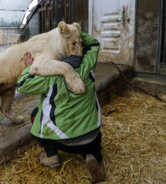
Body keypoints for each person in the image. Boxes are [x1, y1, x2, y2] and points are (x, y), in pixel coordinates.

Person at [17, 32, 105, 183]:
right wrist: (74, 32)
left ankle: (51, 156)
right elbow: (94, 43)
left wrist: (30, 66)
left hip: (63, 141)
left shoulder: (48, 76)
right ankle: (92, 156)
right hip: (91, 137)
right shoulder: (88, 64)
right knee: (92, 137)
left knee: (35, 114)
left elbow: (22, 84)